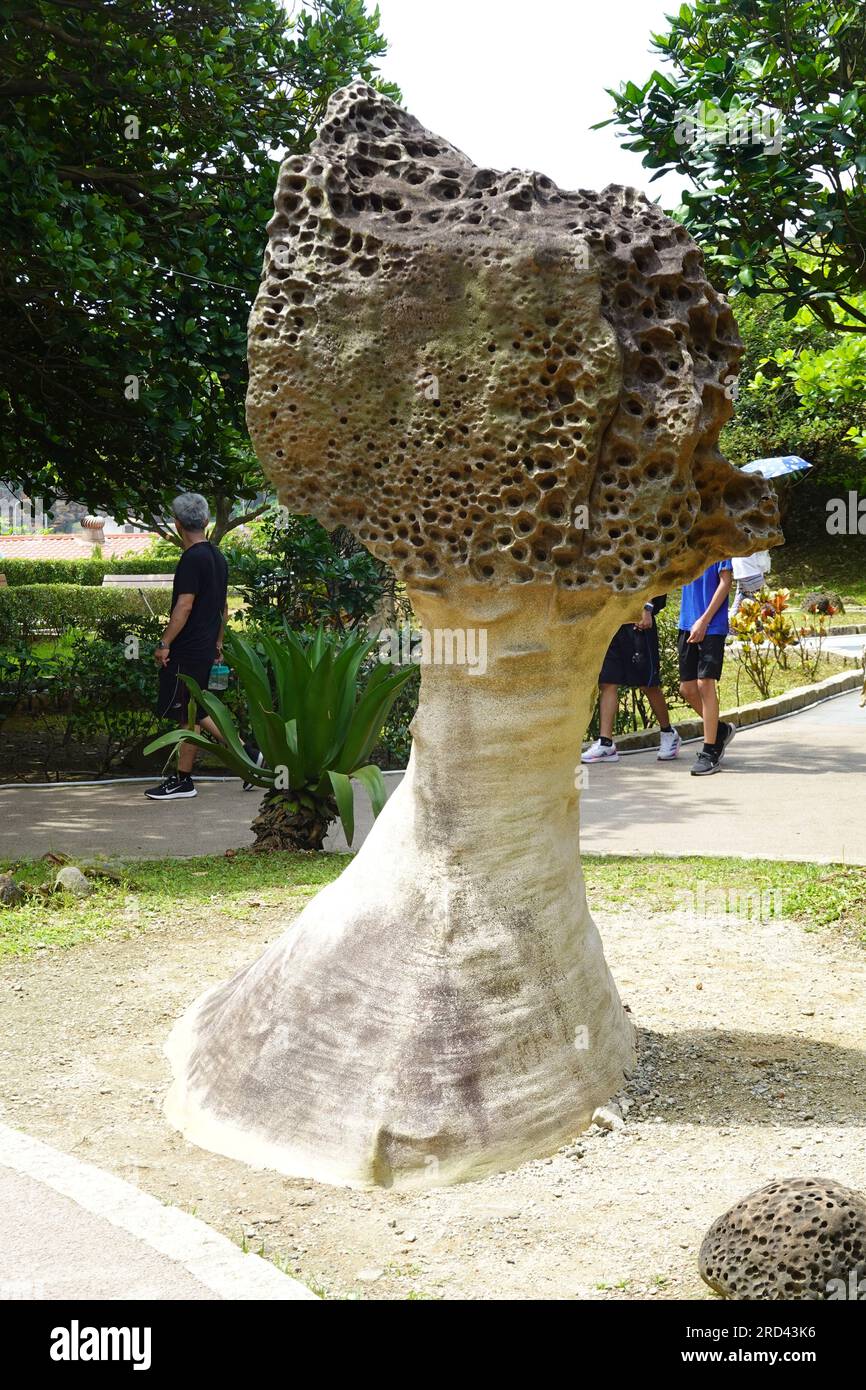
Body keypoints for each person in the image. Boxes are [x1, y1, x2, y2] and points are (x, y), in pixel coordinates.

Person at [145, 493, 231, 801]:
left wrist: (164, 643)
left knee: (188, 713)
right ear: (206, 521)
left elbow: (183, 607)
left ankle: (184, 780)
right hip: (205, 648)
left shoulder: (191, 559)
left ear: (177, 524)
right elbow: (223, 608)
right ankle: (248, 753)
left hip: (187, 650)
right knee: (194, 711)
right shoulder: (218, 557)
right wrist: (218, 642)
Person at [582, 596, 681, 763]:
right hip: (610, 622)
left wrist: (647, 608)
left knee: (647, 684)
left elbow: (654, 576)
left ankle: (668, 733)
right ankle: (606, 744)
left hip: (637, 621)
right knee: (607, 681)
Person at [677, 560, 736, 777]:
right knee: (687, 689)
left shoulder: (720, 546)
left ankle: (710, 752)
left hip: (711, 626)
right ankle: (720, 731)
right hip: (686, 623)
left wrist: (704, 620)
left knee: (705, 684)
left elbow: (725, 582)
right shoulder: (689, 546)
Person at [731, 549, 771, 615]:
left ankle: (727, 623)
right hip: (749, 569)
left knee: (737, 606)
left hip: (744, 567)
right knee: (767, 608)